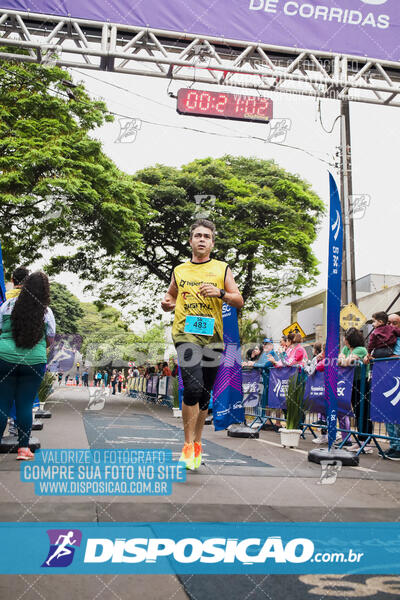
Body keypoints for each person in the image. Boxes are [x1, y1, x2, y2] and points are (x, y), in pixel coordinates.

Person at [161, 218, 244, 470]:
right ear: (190, 241)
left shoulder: (222, 269)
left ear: (212, 242)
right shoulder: (180, 270)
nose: (201, 240)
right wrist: (166, 302)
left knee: (205, 394)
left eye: (206, 236)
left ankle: (197, 443)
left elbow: (238, 300)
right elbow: (171, 295)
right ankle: (187, 446)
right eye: (197, 235)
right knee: (193, 389)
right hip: (186, 334)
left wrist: (220, 293)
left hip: (213, 336)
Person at [0, 272, 55, 460]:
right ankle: (23, 449)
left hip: (4, 358)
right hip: (33, 361)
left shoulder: (6, 305)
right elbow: (50, 339)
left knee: (2, 405)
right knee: (24, 405)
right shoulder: (46, 312)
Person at [339, 328, 372, 453]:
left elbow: (346, 362)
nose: (343, 339)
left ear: (349, 339)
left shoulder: (361, 349)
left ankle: (366, 442)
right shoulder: (347, 348)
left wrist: (344, 361)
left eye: (345, 337)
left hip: (362, 383)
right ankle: (360, 440)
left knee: (363, 412)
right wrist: (344, 360)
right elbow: (340, 359)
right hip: (350, 383)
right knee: (357, 412)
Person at [384, 314, 400, 459]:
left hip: (397, 380)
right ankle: (393, 445)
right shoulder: (384, 338)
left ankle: (399, 447)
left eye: (394, 323)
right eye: (389, 322)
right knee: (388, 415)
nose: (391, 325)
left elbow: (395, 356)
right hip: (386, 381)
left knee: (396, 416)